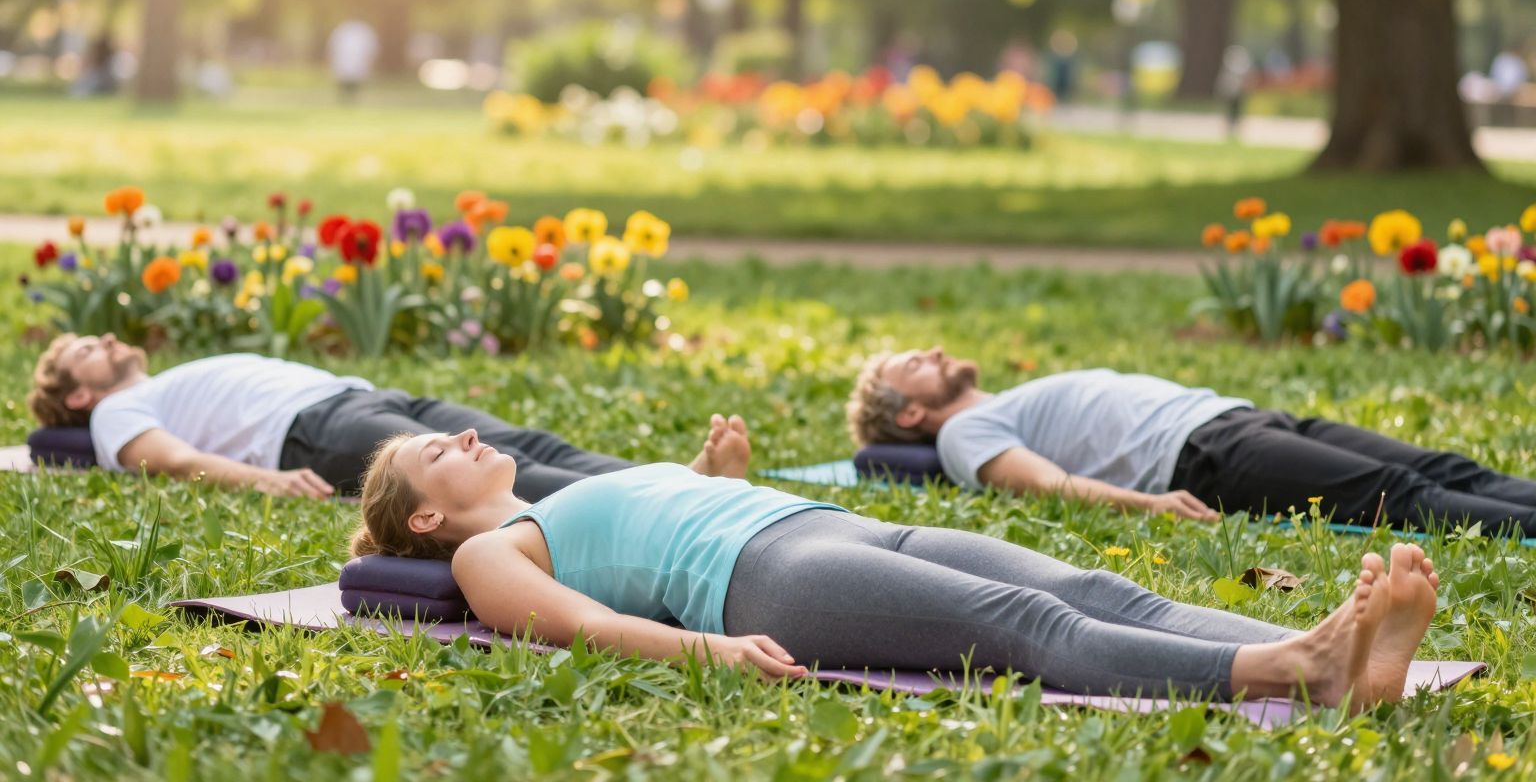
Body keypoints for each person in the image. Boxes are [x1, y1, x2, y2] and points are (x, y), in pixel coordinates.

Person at [351, 418, 1440, 710]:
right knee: (1026, 626)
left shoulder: (547, 501)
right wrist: (710, 649)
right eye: (430, 455)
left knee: (1091, 587)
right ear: (424, 525)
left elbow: (637, 526)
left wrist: (712, 470)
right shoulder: (492, 553)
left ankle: (1326, 652)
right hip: (776, 584)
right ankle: (1291, 672)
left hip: (822, 523)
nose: (458, 438)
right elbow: (581, 623)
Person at [847, 348, 1536, 536]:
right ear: (910, 416)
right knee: (1409, 497)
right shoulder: (966, 431)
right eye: (916, 364)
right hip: (1210, 458)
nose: (936, 351)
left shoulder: (993, 403)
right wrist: (1146, 507)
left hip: (1239, 418)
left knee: (1446, 468)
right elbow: (1041, 484)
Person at [26, 333, 746, 500]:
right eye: (90, 350)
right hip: (315, 434)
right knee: (513, 476)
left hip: (364, 398)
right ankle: (662, 501)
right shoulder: (114, 414)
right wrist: (265, 482)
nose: (110, 341)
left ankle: (675, 482)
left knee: (527, 444)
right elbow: (172, 461)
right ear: (79, 396)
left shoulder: (156, 379)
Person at [327, 19, 379, 101]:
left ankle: (351, 99)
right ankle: (344, 100)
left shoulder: (362, 30)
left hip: (355, 63)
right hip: (345, 63)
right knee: (344, 82)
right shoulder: (343, 29)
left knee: (354, 83)